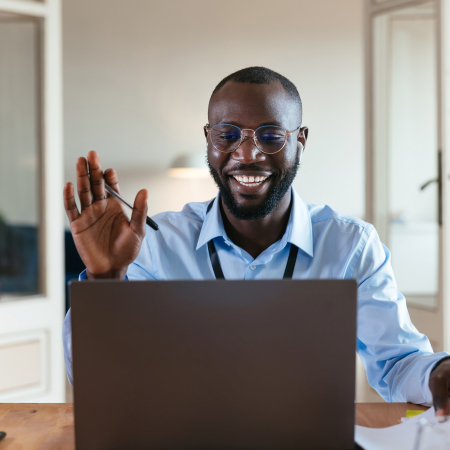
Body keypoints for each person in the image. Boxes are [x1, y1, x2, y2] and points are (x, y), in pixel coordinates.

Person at [63, 66, 450, 414]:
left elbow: (398, 362)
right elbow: (95, 377)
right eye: (227, 134)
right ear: (209, 140)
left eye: (270, 136)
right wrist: (105, 281)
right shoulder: (154, 243)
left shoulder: (351, 245)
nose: (247, 154)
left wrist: (440, 374)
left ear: (301, 140)